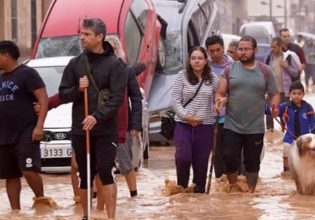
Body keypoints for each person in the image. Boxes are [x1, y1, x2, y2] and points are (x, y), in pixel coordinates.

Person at [59, 18, 127, 220]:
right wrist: (77, 89)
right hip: (81, 129)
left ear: (100, 37)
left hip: (105, 130)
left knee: (106, 170)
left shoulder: (115, 65)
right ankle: (86, 216)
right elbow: (63, 94)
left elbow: (116, 99)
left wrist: (97, 116)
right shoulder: (75, 64)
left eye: (86, 34)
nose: (81, 38)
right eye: (81, 33)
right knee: (84, 174)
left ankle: (111, 217)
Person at [215, 36, 280, 193]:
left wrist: (274, 106)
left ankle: (250, 193)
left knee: (252, 163)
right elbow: (220, 92)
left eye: (247, 49)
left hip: (255, 126)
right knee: (229, 157)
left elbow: (274, 93)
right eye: (240, 49)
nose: (243, 52)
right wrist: (220, 100)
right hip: (232, 124)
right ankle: (233, 188)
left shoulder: (265, 71)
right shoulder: (230, 70)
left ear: (255, 51)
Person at [95, 36, 143, 210]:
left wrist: (136, 125)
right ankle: (96, 199)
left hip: (122, 124)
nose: (111, 49)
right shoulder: (95, 68)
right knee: (98, 165)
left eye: (114, 46)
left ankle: (134, 196)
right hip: (99, 123)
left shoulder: (125, 70)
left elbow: (136, 98)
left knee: (124, 162)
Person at [0, 40, 50, 209]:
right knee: (10, 175)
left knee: (28, 170)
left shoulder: (28, 74)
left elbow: (43, 99)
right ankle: (15, 212)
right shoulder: (0, 78)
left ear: (6, 56)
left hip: (27, 131)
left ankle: (42, 201)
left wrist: (39, 126)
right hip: (4, 134)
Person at [171, 46, 220, 193]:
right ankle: (182, 191)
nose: (196, 61)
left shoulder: (213, 78)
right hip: (183, 125)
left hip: (205, 127)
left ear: (206, 61)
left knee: (201, 164)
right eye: (193, 58)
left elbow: (219, 95)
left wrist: (218, 103)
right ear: (189, 60)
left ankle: (198, 199)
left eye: (200, 58)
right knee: (182, 157)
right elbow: (174, 101)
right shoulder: (182, 76)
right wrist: (186, 116)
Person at [266, 81, 315, 172]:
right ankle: (286, 171)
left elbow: (313, 123)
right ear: (289, 94)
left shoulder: (308, 108)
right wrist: (265, 108)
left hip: (304, 139)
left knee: (306, 155)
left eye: (299, 93)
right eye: (294, 93)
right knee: (286, 152)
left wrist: (312, 134)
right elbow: (273, 111)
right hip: (289, 137)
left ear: (303, 94)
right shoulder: (285, 107)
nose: (297, 96)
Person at [205, 34, 234, 178]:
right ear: (207, 51)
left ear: (223, 48)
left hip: (231, 118)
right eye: (212, 51)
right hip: (211, 118)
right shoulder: (204, 68)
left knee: (230, 153)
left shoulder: (234, 66)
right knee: (216, 155)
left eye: (218, 50)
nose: (215, 54)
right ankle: (220, 183)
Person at [264, 37, 299, 131]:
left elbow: (296, 73)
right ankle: (270, 132)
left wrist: (287, 67)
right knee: (269, 113)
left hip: (285, 91)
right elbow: (264, 73)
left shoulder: (288, 57)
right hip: (272, 91)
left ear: (280, 46)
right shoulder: (268, 58)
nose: (272, 49)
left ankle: (284, 132)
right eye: (271, 47)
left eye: (274, 47)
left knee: (284, 113)